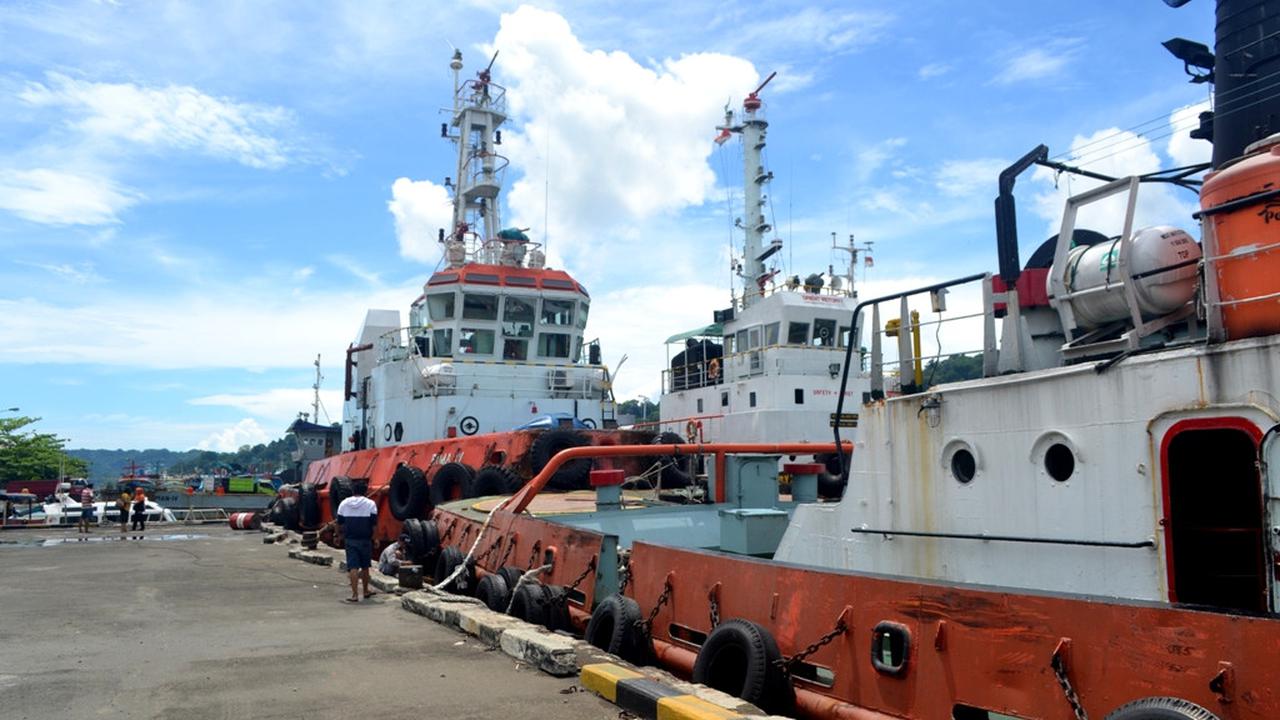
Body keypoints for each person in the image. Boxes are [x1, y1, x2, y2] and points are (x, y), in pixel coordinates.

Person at [335, 480, 378, 603]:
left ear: (353, 491)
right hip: (365, 539)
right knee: (365, 566)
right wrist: (375, 538)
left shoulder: (344, 503)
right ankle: (365, 591)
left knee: (353, 567)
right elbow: (374, 524)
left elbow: (339, 522)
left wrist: (337, 536)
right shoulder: (371, 504)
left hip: (350, 539)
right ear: (365, 491)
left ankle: (354, 595)